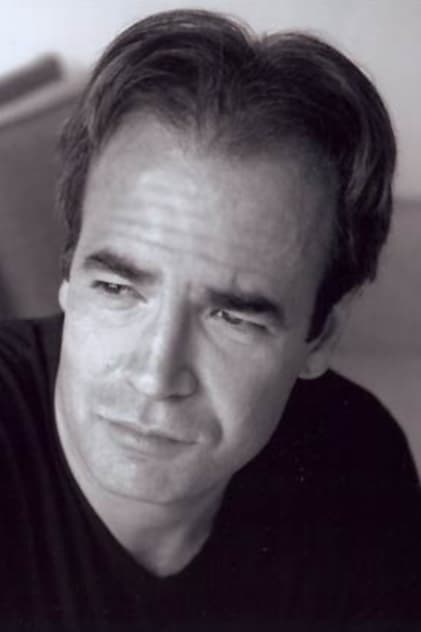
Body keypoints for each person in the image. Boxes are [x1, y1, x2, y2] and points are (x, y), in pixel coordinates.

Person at [0, 8, 420, 631]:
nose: (156, 375)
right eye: (117, 287)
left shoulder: (354, 465)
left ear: (320, 335)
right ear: (68, 275)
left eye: (232, 318)